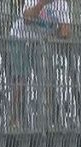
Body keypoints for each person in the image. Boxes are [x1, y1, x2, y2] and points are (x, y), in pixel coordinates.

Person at [9, 0, 71, 128]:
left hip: (40, 43)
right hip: (20, 38)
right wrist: (41, 4)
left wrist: (60, 32)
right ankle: (14, 119)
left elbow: (65, 31)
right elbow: (27, 18)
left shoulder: (61, 4)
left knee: (48, 80)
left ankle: (48, 121)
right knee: (20, 80)